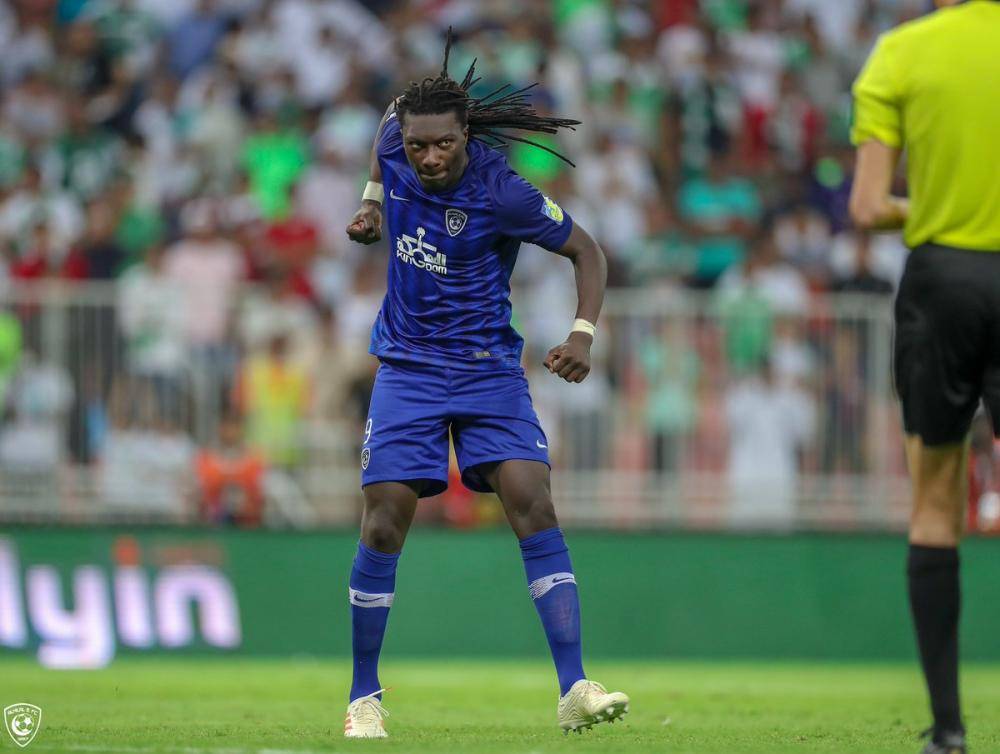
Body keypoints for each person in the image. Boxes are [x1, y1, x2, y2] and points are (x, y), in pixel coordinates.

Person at [340, 32, 628, 739]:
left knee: (533, 501)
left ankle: (574, 687)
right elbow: (386, 129)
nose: (429, 157)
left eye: (443, 144)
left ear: (465, 133)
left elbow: (587, 251)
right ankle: (363, 696)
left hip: (487, 370)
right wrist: (372, 203)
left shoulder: (504, 192)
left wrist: (581, 335)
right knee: (384, 520)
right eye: (418, 146)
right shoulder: (395, 141)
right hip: (407, 366)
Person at [850, 2, 1000, 752]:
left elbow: (868, 206)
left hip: (944, 282)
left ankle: (949, 729)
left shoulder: (901, 54)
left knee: (936, 505)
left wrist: (937, 207)